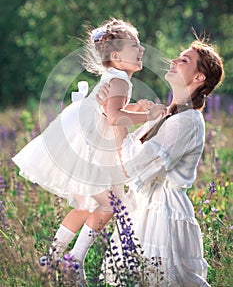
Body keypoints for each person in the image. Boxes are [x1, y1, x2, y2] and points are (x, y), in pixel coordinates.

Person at [12, 18, 165, 281]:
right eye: (135, 46)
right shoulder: (120, 81)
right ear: (116, 55)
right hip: (93, 148)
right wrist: (149, 116)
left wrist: (138, 110)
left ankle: (52, 259)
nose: (142, 51)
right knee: (110, 206)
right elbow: (115, 118)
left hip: (88, 143)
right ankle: (75, 261)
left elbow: (110, 113)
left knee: (86, 205)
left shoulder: (114, 77)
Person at [98, 36, 224, 286]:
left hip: (163, 216)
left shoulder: (186, 121)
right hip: (145, 208)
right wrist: (109, 109)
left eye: (185, 60)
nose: (175, 60)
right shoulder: (168, 115)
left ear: (199, 78)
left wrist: (118, 120)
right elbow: (125, 151)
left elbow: (131, 165)